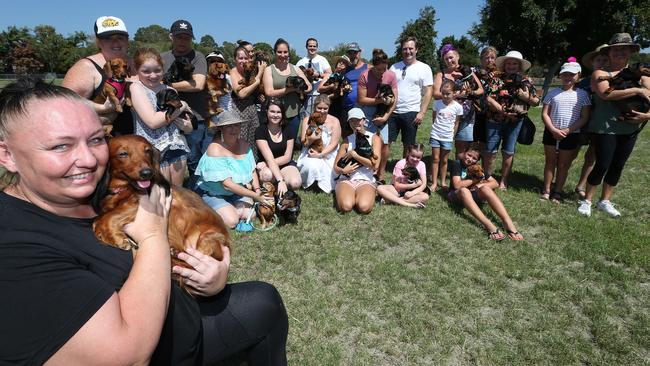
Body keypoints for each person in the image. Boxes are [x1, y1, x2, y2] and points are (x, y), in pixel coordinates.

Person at [0, 78, 288, 365]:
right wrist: (152, 234)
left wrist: (214, 276)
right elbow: (128, 356)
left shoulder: (94, 191)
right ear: (7, 155)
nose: (87, 159)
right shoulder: (14, 245)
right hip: (158, 350)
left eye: (96, 139)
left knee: (264, 301)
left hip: (180, 320)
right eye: (60, 146)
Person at [577, 33, 650, 217]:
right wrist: (637, 90)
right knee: (602, 164)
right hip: (605, 127)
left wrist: (646, 116)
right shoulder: (601, 73)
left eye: (624, 49)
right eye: (616, 49)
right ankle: (587, 200)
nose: (620, 52)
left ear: (630, 52)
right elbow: (605, 95)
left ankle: (605, 201)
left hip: (630, 128)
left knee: (618, 165)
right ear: (609, 53)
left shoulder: (642, 76)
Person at [195, 110, 275, 228]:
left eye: (237, 125)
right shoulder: (215, 148)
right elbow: (227, 184)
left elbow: (252, 170)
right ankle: (205, 207)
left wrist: (257, 190)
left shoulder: (244, 144)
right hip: (213, 193)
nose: (234, 129)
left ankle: (229, 207)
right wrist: (255, 196)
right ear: (221, 128)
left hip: (235, 192)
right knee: (232, 221)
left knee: (250, 215)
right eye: (229, 126)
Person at [62, 15, 135, 135]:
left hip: (143, 143)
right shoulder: (86, 67)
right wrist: (102, 108)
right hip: (106, 143)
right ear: (98, 42)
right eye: (108, 38)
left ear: (127, 40)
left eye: (120, 37)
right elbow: (63, 102)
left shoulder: (140, 65)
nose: (115, 42)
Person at [129, 48, 192, 186]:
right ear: (136, 70)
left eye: (157, 70)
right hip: (152, 149)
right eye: (146, 71)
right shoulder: (137, 88)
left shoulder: (170, 90)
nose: (153, 75)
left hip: (176, 146)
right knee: (159, 194)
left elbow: (183, 121)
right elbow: (152, 121)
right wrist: (182, 105)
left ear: (163, 69)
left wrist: (188, 127)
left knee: (176, 193)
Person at [160, 20, 209, 188]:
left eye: (186, 38)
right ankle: (171, 191)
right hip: (167, 117)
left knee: (194, 160)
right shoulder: (163, 58)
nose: (183, 41)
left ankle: (196, 194)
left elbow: (198, 84)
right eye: (179, 37)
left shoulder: (198, 57)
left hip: (194, 116)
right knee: (169, 158)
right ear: (171, 37)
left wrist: (166, 86)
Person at [484, 50, 540, 190]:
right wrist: (500, 110)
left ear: (519, 66)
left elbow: (536, 102)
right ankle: (487, 178)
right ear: (504, 64)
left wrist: (525, 97)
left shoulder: (526, 81)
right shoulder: (496, 78)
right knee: (490, 151)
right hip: (495, 120)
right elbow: (487, 97)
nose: (511, 66)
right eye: (509, 63)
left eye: (515, 63)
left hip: (515, 122)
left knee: (508, 151)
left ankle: (504, 180)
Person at [540, 60, 591, 203]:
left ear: (578, 76)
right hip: (551, 132)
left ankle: (558, 191)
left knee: (563, 164)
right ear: (560, 76)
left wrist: (568, 130)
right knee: (550, 161)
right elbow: (545, 113)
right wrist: (552, 129)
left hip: (571, 134)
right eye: (565, 74)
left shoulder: (582, 95)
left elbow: (584, 116)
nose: (568, 77)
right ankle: (546, 190)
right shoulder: (552, 93)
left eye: (572, 75)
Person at [448, 146, 524, 241]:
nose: (470, 159)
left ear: (477, 161)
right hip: (455, 195)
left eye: (474, 158)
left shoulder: (478, 168)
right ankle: (489, 225)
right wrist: (474, 180)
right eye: (469, 155)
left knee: (486, 189)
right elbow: (457, 185)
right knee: (464, 190)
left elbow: (495, 183)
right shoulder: (457, 164)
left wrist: (478, 186)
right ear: (464, 153)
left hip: (472, 196)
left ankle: (508, 222)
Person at [432, 44, 484, 155]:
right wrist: (455, 95)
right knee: (442, 149)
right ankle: (439, 170)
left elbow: (480, 90)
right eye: (446, 59)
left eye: (451, 57)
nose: (449, 61)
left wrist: (470, 92)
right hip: (447, 116)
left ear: (457, 56)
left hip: (466, 116)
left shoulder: (468, 71)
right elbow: (435, 94)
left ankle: (458, 171)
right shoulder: (441, 74)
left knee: (462, 150)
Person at [388, 37, 434, 159]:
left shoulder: (424, 68)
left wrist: (422, 112)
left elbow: (428, 91)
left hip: (411, 112)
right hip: (392, 111)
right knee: (385, 143)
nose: (408, 51)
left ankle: (404, 171)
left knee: (408, 145)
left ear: (416, 49)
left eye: (411, 48)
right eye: (405, 49)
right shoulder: (394, 67)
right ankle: (379, 172)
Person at [357, 48, 398, 183]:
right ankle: (367, 173)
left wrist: (386, 116)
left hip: (384, 111)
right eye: (379, 70)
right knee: (368, 142)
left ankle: (380, 174)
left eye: (384, 69)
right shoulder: (365, 75)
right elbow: (361, 99)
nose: (382, 73)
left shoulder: (390, 75)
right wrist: (380, 100)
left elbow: (395, 98)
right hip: (367, 111)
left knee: (385, 144)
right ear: (373, 66)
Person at [574, 44, 609, 199]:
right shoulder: (583, 83)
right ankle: (558, 182)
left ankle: (581, 185)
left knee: (591, 157)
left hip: (600, 123)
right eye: (598, 60)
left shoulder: (612, 81)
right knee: (572, 153)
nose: (601, 63)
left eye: (604, 60)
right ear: (593, 63)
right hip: (582, 123)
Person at [262, 38, 312, 143]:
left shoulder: (296, 69)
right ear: (274, 52)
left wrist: (300, 89)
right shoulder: (269, 70)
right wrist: (290, 89)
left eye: (285, 52)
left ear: (289, 53)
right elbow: (269, 92)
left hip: (294, 114)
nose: (282, 54)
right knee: (275, 142)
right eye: (279, 52)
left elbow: (309, 86)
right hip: (275, 114)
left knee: (291, 142)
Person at [333, 108, 382, 214]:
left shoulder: (374, 139)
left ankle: (366, 193)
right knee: (346, 207)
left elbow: (375, 166)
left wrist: (354, 155)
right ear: (349, 123)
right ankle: (346, 192)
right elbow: (336, 167)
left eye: (358, 120)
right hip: (347, 179)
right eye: (352, 121)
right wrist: (343, 170)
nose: (355, 123)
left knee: (364, 207)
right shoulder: (347, 140)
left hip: (365, 179)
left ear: (364, 120)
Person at [255, 98, 302, 196]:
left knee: (296, 183)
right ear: (267, 112)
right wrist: (281, 180)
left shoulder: (288, 129)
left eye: (279, 112)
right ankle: (275, 192)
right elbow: (269, 158)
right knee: (266, 175)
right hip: (268, 167)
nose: (275, 115)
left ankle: (281, 191)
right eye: (272, 111)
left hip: (283, 164)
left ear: (282, 114)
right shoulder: (260, 130)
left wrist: (266, 163)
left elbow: (287, 157)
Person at [297, 94, 341, 193]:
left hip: (329, 153)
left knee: (331, 170)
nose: (322, 111)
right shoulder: (307, 120)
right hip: (311, 149)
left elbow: (334, 144)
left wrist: (321, 154)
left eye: (325, 108)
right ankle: (310, 182)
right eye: (319, 108)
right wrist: (312, 139)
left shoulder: (335, 121)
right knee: (310, 165)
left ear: (329, 108)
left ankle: (322, 184)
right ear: (314, 107)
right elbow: (304, 142)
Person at [230, 45, 267, 154]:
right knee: (240, 142)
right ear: (235, 59)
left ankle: (252, 168)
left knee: (253, 143)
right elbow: (242, 94)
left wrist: (258, 94)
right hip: (238, 112)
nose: (243, 61)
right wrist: (259, 74)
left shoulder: (250, 71)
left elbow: (254, 89)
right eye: (240, 58)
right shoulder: (233, 72)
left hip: (252, 111)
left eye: (245, 58)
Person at [429, 81, 464, 192]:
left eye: (448, 93)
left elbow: (457, 122)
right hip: (436, 134)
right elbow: (434, 118)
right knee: (435, 159)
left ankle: (443, 182)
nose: (445, 96)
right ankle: (434, 182)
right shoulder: (437, 103)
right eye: (443, 93)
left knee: (444, 160)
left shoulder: (458, 107)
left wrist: (452, 135)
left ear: (454, 93)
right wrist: (436, 129)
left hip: (447, 137)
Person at [376, 143, 429, 208]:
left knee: (425, 196)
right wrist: (414, 185)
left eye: (418, 157)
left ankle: (392, 200)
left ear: (422, 157)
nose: (415, 159)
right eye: (413, 156)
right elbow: (397, 185)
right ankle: (409, 204)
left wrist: (412, 193)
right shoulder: (401, 163)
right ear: (408, 153)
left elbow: (424, 184)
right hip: (397, 190)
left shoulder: (421, 164)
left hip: (411, 192)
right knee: (379, 188)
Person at [296, 37, 332, 120]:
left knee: (319, 118)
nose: (312, 48)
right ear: (306, 47)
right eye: (310, 46)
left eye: (314, 46)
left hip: (319, 94)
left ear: (317, 47)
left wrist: (318, 75)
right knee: (306, 119)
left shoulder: (322, 59)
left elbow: (329, 74)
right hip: (305, 95)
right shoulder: (301, 62)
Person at [473, 46, 499, 154]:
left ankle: (482, 168)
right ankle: (469, 165)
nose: (490, 60)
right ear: (481, 59)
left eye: (492, 58)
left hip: (490, 113)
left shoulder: (498, 74)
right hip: (474, 111)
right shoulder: (474, 72)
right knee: (473, 141)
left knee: (485, 142)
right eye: (487, 57)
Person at [318, 54, 352, 134]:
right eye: (339, 62)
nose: (341, 64)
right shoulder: (328, 75)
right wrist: (331, 86)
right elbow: (319, 89)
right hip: (327, 106)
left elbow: (347, 90)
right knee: (325, 128)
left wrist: (346, 89)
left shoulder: (346, 79)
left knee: (341, 130)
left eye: (344, 63)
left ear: (346, 66)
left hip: (340, 106)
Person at [342, 42, 369, 118]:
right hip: (346, 108)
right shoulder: (344, 68)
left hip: (362, 109)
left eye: (355, 53)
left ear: (360, 52)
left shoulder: (368, 68)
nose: (353, 55)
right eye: (350, 53)